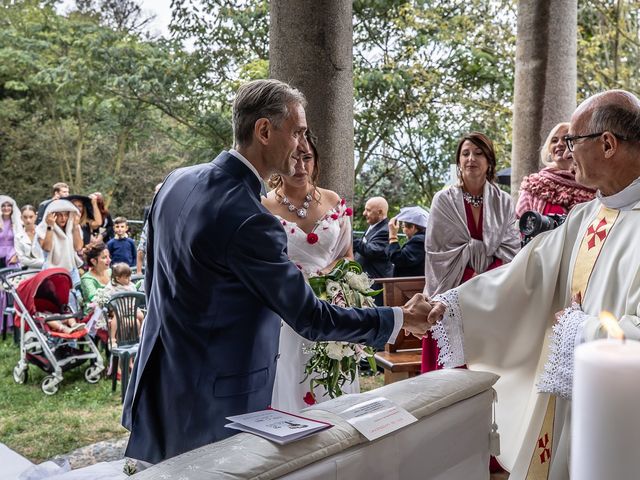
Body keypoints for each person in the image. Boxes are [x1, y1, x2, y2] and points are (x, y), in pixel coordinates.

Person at [122, 79, 431, 466]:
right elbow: (309, 317)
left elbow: (154, 283)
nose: (304, 145)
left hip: (160, 384)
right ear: (264, 131)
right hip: (217, 403)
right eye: (298, 132)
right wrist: (401, 318)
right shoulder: (250, 218)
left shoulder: (176, 181)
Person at [425, 90, 640, 480]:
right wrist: (453, 304)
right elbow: (527, 273)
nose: (566, 150)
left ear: (608, 144)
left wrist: (580, 330)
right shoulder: (586, 214)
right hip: (567, 400)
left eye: (573, 140)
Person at [263, 130, 357, 412]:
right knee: (290, 377)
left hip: (328, 304)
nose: (300, 166)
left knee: (329, 383)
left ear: (316, 161)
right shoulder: (264, 205)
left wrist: (326, 275)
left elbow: (347, 256)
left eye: (307, 158)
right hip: (284, 309)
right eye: (294, 158)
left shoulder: (333, 201)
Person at [421, 132, 520, 373]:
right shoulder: (443, 200)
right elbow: (438, 251)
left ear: (489, 161)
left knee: (485, 367)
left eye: (478, 153)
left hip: (490, 290)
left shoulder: (504, 201)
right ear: (458, 162)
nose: (471, 159)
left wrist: (483, 279)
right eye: (465, 153)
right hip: (451, 290)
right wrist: (467, 280)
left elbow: (511, 249)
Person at [516, 122, 595, 217]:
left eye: (566, 139)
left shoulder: (593, 184)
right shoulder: (535, 185)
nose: (559, 144)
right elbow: (520, 223)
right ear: (549, 149)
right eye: (554, 140)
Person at [353, 196, 393, 305]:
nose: (364, 213)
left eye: (368, 210)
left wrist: (349, 235)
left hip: (375, 285)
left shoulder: (385, 230)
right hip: (364, 282)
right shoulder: (374, 227)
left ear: (380, 212)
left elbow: (371, 251)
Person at [36, 199, 83, 286]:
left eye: (66, 214)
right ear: (52, 215)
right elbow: (47, 248)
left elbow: (78, 247)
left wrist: (76, 226)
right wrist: (50, 226)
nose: (63, 218)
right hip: (52, 272)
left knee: (76, 298)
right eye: (59, 215)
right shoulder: (42, 228)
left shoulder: (73, 226)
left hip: (72, 271)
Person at [385, 206, 429, 277]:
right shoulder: (424, 238)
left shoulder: (418, 241)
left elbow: (398, 259)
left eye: (403, 227)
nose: (403, 231)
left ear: (413, 227)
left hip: (410, 285)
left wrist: (393, 236)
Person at [15, 205, 45, 269]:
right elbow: (22, 259)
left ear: (36, 217)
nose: (28, 220)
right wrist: (44, 263)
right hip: (29, 271)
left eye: (31, 217)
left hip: (47, 270)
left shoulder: (43, 232)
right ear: (21, 218)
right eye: (25, 217)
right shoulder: (18, 236)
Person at [0, 195, 22, 269]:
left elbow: (22, 241)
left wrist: (17, 256)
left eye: (9, 205)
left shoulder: (17, 222)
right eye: (3, 206)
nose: (6, 208)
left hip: (12, 258)